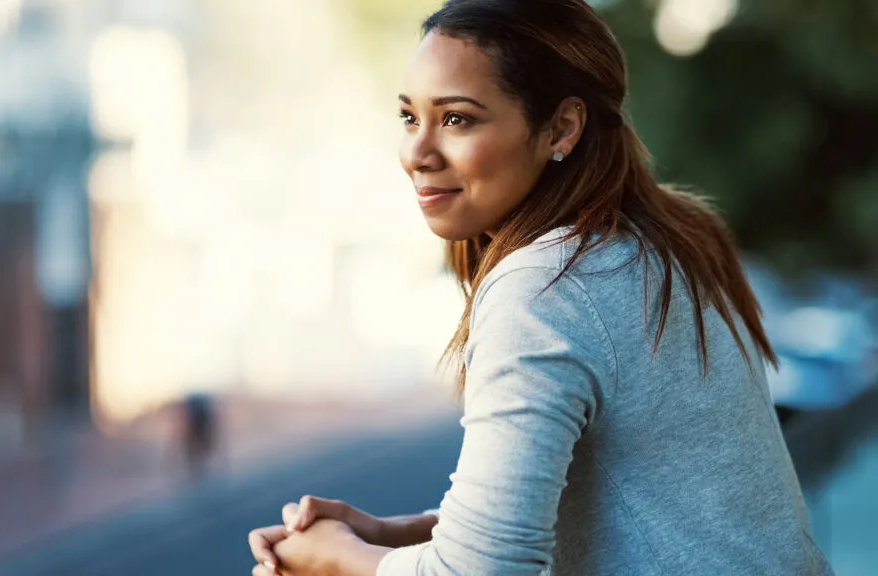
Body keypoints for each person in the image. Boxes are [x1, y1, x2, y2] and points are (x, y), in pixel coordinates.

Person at [248, 0, 834, 574]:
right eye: (410, 116)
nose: (417, 153)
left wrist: (339, 560)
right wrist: (388, 534)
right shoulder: (669, 240)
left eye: (456, 119)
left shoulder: (545, 287)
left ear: (562, 127)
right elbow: (619, 499)